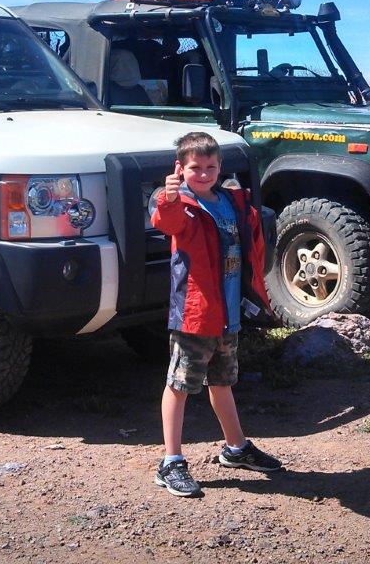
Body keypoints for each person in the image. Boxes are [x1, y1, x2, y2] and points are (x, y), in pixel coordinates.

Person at [150, 131, 283, 497]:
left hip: (227, 313)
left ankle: (236, 448)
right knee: (179, 385)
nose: (204, 174)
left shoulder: (230, 200)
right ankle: (170, 462)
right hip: (195, 315)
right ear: (180, 168)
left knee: (222, 382)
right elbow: (165, 222)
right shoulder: (181, 204)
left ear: (220, 166)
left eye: (211, 167)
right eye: (195, 167)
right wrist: (168, 197)